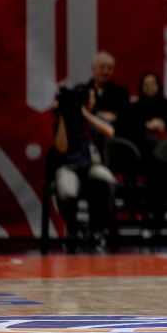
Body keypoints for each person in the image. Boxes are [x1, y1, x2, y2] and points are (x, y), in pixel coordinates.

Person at [51, 84, 117, 252]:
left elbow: (110, 132)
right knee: (66, 190)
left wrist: (86, 115)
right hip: (69, 166)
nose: (91, 100)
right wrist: (62, 115)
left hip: (92, 166)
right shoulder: (66, 120)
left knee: (106, 180)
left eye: (93, 97)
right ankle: (73, 229)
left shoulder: (96, 118)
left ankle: (97, 231)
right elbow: (61, 148)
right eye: (87, 97)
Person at [84, 51, 131, 129]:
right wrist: (102, 115)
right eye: (101, 67)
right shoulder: (83, 91)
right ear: (93, 69)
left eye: (109, 68)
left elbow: (125, 116)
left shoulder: (121, 93)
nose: (105, 72)